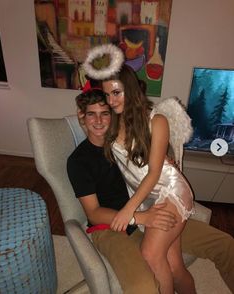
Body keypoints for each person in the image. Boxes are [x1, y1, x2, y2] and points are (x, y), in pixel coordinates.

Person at [67, 87, 234, 294]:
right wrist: (142, 218)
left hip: (151, 210)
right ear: (81, 116)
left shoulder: (123, 142)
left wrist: (165, 160)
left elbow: (152, 161)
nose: (99, 121)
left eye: (105, 113)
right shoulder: (79, 161)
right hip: (111, 228)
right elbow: (93, 213)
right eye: (91, 114)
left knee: (225, 245)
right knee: (145, 287)